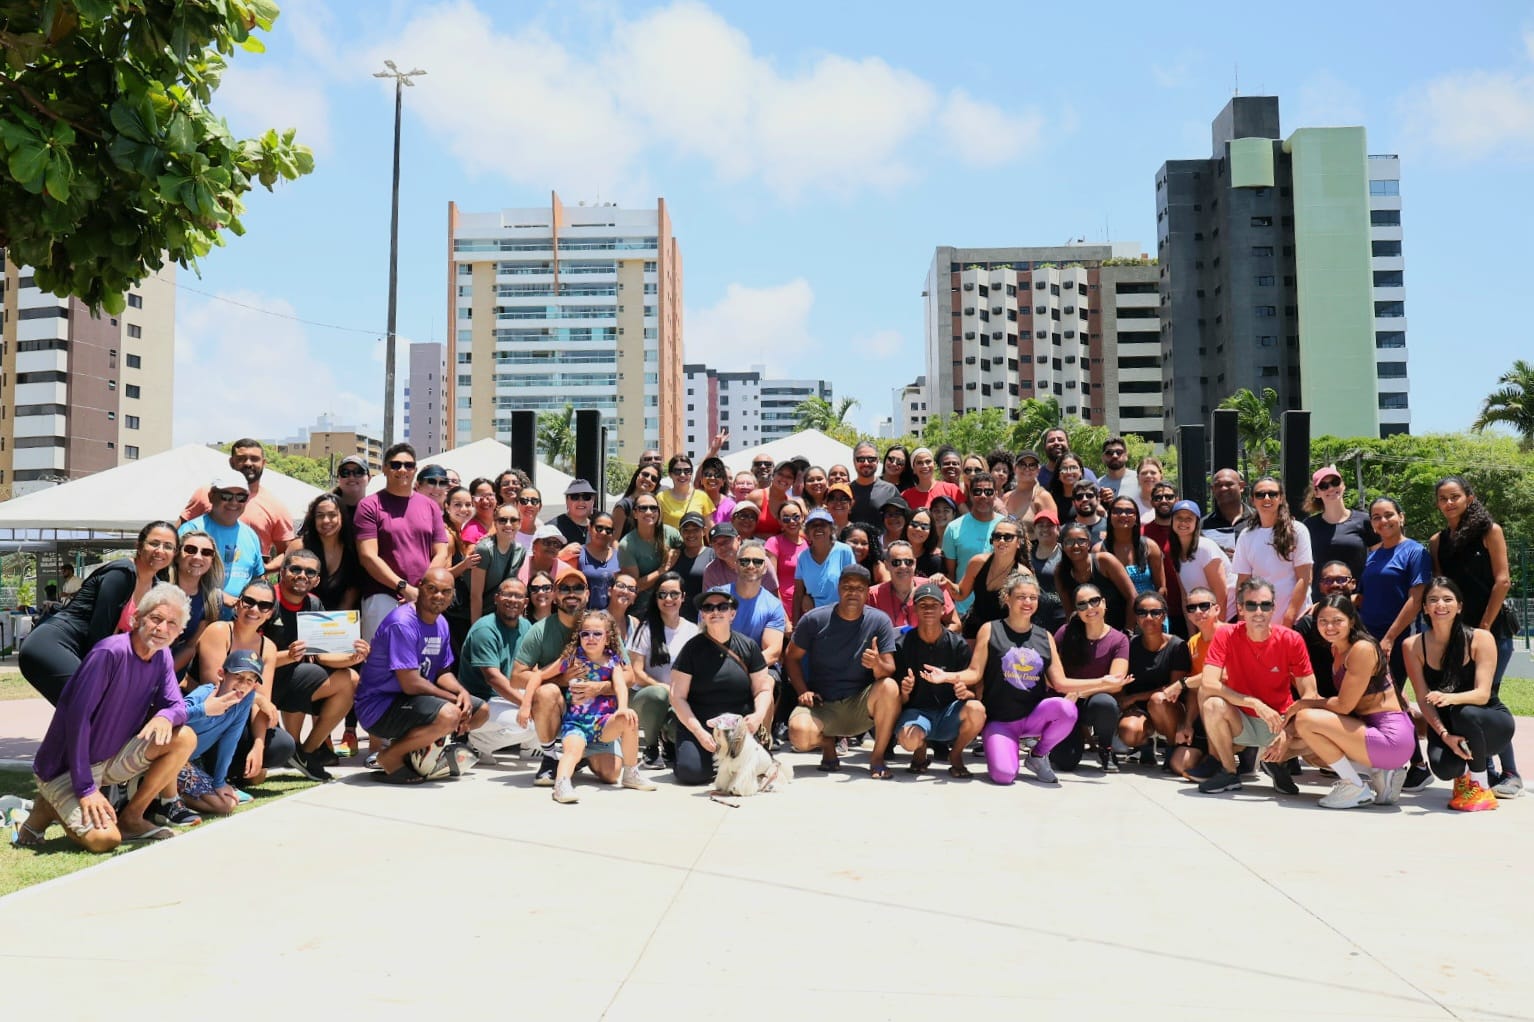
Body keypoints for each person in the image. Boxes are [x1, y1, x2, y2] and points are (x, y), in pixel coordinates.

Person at [16, 585, 198, 850]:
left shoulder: (162, 656)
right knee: (105, 840)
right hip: (65, 768)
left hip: (112, 759)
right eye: (156, 618)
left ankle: (132, 818)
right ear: (137, 618)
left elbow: (177, 706)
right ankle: (50, 805)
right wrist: (86, 789)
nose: (162, 628)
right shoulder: (109, 653)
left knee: (184, 737)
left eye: (172, 623)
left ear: (179, 632)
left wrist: (166, 716)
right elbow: (77, 721)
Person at [353, 568, 490, 785]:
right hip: (379, 706)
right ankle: (390, 756)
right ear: (420, 588)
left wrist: (461, 692)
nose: (438, 596)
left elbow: (443, 672)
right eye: (432, 589)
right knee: (450, 714)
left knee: (480, 711)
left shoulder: (441, 623)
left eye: (446, 591)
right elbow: (410, 683)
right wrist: (452, 700)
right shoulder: (402, 623)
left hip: (411, 701)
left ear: (452, 595)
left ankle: (419, 752)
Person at [20, 521, 179, 704]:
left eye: (168, 546)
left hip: (83, 651)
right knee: (94, 707)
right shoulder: (122, 574)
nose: (160, 551)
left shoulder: (156, 589)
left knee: (94, 712)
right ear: (139, 545)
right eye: (154, 543)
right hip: (53, 644)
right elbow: (100, 632)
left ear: (175, 553)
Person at [1429, 475, 1520, 797]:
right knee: (1465, 700)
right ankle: (1485, 770)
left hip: (1491, 632)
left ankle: (1510, 773)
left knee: (1487, 697)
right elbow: (1440, 586)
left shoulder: (1489, 531)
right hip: (1456, 637)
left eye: (1455, 496)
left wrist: (1483, 628)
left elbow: (1502, 581)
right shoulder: (1437, 541)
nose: (1449, 503)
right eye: (1443, 498)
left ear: (1469, 497)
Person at [954, 572, 1086, 785]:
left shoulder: (1045, 636)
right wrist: (946, 677)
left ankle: (1037, 756)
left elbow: (1060, 682)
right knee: (1004, 775)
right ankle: (1005, 748)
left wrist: (1104, 681)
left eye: (1033, 597)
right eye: (1021, 597)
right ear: (1007, 598)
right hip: (1001, 720)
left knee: (1067, 709)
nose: (1028, 602)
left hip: (1034, 716)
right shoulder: (990, 629)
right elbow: (974, 673)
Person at [1284, 594, 1415, 808]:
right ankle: (1380, 773)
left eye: (1337, 621)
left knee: (1306, 719)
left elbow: (1344, 706)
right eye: (1323, 621)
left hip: (1391, 738)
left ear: (1351, 621)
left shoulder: (1361, 649)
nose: (1329, 627)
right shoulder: (1337, 648)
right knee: (1310, 747)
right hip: (1374, 730)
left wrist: (1305, 703)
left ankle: (1353, 786)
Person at [1194, 578, 1317, 796]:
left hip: (1279, 721)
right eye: (1251, 605)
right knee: (1212, 703)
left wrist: (1288, 732)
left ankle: (1276, 762)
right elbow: (1209, 682)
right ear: (1240, 609)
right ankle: (1229, 772)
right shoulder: (1226, 634)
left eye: (1265, 605)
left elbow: (1310, 694)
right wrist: (1253, 703)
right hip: (1241, 720)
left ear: (1273, 608)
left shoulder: (1292, 639)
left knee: (1323, 730)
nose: (1258, 612)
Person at [1402, 577, 1516, 811]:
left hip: (1489, 722)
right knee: (1444, 768)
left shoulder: (1480, 638)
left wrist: (1449, 698)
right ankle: (1463, 776)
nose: (1440, 605)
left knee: (1464, 712)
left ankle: (1480, 786)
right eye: (1433, 600)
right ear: (1425, 608)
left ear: (1459, 606)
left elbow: (1482, 695)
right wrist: (1444, 735)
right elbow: (1423, 699)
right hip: (1448, 724)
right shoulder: (1412, 646)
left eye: (1447, 599)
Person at [262, 549, 366, 783]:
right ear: (282, 572)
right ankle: (291, 747)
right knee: (305, 670)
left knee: (350, 679)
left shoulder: (313, 603)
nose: (302, 575)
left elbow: (323, 655)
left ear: (317, 580)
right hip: (258, 683)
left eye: (310, 572)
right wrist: (288, 656)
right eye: (295, 569)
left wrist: (353, 658)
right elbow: (249, 656)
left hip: (293, 678)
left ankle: (306, 752)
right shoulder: (266, 599)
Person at [785, 565, 899, 777]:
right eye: (847, 587)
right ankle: (828, 744)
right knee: (799, 736)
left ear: (867, 592)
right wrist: (803, 691)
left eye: (859, 588)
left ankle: (877, 758)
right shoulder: (815, 619)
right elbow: (791, 657)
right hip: (822, 704)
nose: (853, 593)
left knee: (890, 687)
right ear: (838, 588)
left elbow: (889, 669)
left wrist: (876, 664)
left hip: (860, 705)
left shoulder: (879, 620)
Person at [546, 611, 656, 803]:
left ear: (607, 638)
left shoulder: (613, 660)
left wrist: (623, 708)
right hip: (577, 723)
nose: (591, 638)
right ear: (579, 636)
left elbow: (620, 685)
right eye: (585, 633)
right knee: (572, 751)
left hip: (603, 723)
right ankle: (561, 785)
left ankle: (631, 773)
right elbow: (541, 675)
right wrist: (526, 704)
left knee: (629, 718)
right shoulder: (572, 657)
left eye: (597, 634)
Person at [669, 591, 776, 785]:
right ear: (703, 615)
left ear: (732, 614)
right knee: (691, 773)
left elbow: (763, 689)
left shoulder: (748, 646)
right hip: (702, 726)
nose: (715, 612)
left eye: (722, 607)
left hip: (739, 729)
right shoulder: (691, 649)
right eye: (708, 608)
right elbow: (677, 697)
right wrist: (699, 733)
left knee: (753, 769)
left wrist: (758, 716)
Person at [195, 580, 289, 785]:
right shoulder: (219, 631)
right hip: (207, 715)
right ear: (238, 604)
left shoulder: (268, 648)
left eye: (264, 605)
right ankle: (207, 769)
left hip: (240, 715)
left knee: (281, 745)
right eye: (249, 601)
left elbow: (261, 705)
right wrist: (259, 699)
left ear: (270, 613)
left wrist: (258, 745)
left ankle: (232, 771)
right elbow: (217, 688)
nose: (254, 609)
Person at [354, 443, 450, 641]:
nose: (402, 470)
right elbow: (367, 556)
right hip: (383, 596)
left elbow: (441, 552)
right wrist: (404, 588)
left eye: (409, 465)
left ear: (415, 469)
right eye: (396, 465)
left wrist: (424, 588)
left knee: (423, 656)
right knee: (381, 656)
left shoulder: (430, 506)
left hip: (423, 597)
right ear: (384, 468)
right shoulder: (369, 505)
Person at [893, 583, 985, 777]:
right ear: (914, 609)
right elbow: (898, 701)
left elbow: (973, 692)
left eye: (934, 605)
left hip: (949, 714)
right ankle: (920, 749)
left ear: (943, 609)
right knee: (908, 740)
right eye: (923, 605)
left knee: (977, 710)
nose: (928, 609)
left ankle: (956, 754)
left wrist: (964, 693)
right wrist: (905, 691)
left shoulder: (957, 644)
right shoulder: (902, 645)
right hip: (917, 714)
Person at [172, 650, 263, 819]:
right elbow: (172, 716)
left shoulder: (246, 699)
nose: (243, 684)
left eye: (250, 680)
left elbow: (231, 740)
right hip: (169, 757)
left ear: (255, 686)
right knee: (223, 804)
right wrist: (205, 710)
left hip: (189, 763)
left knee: (227, 804)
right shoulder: (205, 693)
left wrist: (219, 782)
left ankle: (169, 794)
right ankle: (162, 796)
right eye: (238, 676)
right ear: (221, 674)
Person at [179, 438, 294, 571]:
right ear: (231, 462)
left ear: (263, 463)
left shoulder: (276, 506)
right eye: (241, 459)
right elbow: (175, 537)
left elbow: (288, 551)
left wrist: (263, 570)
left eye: (254, 459)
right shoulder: (205, 493)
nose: (248, 463)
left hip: (247, 581)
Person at [1051, 584, 1131, 772]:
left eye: (1094, 601)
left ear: (1104, 603)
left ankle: (1106, 748)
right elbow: (1051, 676)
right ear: (1076, 610)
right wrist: (1101, 682)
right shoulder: (1064, 632)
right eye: (1082, 604)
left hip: (1091, 703)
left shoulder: (1119, 640)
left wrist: (1080, 692)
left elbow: (1115, 686)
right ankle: (1070, 734)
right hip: (1065, 702)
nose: (1089, 608)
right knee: (1065, 762)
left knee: (1105, 703)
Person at [460, 577, 538, 762]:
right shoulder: (485, 629)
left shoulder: (526, 626)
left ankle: (531, 748)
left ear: (526, 602)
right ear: (496, 598)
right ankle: (477, 743)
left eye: (518, 596)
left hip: (508, 695)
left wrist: (537, 700)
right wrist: (526, 704)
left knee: (550, 706)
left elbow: (533, 668)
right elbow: (493, 679)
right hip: (482, 701)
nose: (513, 600)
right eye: (507, 594)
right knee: (529, 724)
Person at [627, 572, 699, 766]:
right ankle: (651, 747)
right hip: (645, 698)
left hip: (678, 700)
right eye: (662, 594)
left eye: (674, 594)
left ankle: (668, 738)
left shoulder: (693, 631)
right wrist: (664, 688)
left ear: (683, 597)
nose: (668, 599)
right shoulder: (645, 629)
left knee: (679, 729)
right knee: (658, 694)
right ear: (656, 598)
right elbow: (636, 673)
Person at [1360, 497, 1430, 692]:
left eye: (1388, 515)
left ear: (1401, 517)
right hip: (1367, 637)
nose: (1383, 521)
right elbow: (1363, 596)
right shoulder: (1373, 556)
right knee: (1365, 696)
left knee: (1389, 696)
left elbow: (1416, 599)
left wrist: (1389, 638)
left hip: (1397, 639)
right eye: (1376, 517)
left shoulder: (1416, 552)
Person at [1118, 592, 1192, 763]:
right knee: (1129, 732)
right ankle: (1145, 744)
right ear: (1136, 617)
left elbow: (1173, 688)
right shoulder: (1129, 645)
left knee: (1158, 700)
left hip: (1169, 706)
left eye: (1155, 612)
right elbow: (1120, 680)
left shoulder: (1177, 646)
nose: (1148, 617)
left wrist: (1134, 697)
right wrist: (1125, 703)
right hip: (1140, 710)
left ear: (1164, 616)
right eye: (1142, 612)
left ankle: (1172, 747)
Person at [1233, 476, 1313, 628]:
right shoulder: (1246, 535)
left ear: (1281, 498)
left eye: (1272, 494)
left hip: (1295, 620)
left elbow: (1304, 578)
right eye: (1260, 494)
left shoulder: (1298, 530)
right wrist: (1242, 618)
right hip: (1259, 623)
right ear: (1252, 500)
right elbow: (1242, 581)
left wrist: (1289, 617)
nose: (1266, 498)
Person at [180, 472, 264, 616]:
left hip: (237, 622)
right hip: (195, 618)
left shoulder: (251, 535)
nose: (234, 502)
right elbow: (177, 574)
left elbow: (258, 578)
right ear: (211, 496)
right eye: (226, 496)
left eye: (241, 497)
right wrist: (219, 596)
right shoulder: (191, 530)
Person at [1302, 465, 1376, 603]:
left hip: (1357, 601)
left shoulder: (1364, 520)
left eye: (1335, 482)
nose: (1331, 488)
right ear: (1317, 493)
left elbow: (1379, 560)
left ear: (1343, 485)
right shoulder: (1308, 526)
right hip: (1321, 602)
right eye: (1324, 486)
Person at [950, 516, 1026, 640]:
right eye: (997, 536)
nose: (1001, 541)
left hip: (1004, 636)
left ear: (1018, 542)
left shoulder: (1023, 576)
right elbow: (961, 594)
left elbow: (1023, 615)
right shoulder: (977, 563)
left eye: (1008, 537)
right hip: (973, 630)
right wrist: (946, 583)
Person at [1057, 522, 1136, 631]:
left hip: (1120, 629)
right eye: (1069, 542)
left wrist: (1128, 631)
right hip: (1088, 634)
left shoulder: (1105, 561)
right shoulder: (1060, 571)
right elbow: (1070, 613)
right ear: (1062, 546)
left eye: (1081, 541)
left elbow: (1132, 596)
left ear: (1089, 544)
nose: (1075, 546)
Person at [942, 472, 1000, 618]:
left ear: (996, 494)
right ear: (970, 494)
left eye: (988, 492)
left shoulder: (1007, 527)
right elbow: (950, 574)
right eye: (977, 491)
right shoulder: (953, 528)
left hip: (999, 609)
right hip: (963, 609)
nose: (983, 496)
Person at [168, 529, 223, 679]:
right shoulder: (156, 587)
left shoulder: (213, 599)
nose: (198, 557)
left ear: (212, 560)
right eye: (190, 550)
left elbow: (191, 646)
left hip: (171, 674)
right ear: (177, 555)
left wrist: (162, 675)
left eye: (206, 552)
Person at [292, 493, 361, 613]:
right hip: (299, 614)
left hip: (337, 618)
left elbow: (350, 594)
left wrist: (332, 622)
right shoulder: (299, 546)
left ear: (342, 517)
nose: (326, 520)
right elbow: (287, 586)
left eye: (332, 515)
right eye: (320, 515)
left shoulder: (351, 550)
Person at [617, 493, 681, 619]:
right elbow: (635, 586)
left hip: (671, 604)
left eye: (653, 508)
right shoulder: (626, 545)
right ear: (635, 513)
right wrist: (663, 569)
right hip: (642, 609)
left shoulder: (672, 534)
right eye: (643, 508)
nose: (649, 512)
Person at [870, 540, 956, 631]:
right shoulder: (873, 595)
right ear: (886, 565)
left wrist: (936, 638)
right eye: (896, 562)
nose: (903, 566)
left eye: (908, 562)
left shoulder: (933, 587)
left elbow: (955, 624)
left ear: (915, 563)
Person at [1167, 500, 1232, 617]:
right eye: (1179, 518)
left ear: (1196, 522)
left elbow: (1221, 596)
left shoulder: (1205, 547)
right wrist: (1191, 629)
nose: (1183, 522)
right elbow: (1185, 598)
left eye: (1189, 519)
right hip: (1204, 618)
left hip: (1227, 617)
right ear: (1172, 521)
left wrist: (1219, 627)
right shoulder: (1175, 552)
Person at [793, 508, 856, 619]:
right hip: (815, 618)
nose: (818, 528)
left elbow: (854, 586)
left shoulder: (844, 551)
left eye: (823, 525)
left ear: (831, 529)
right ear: (807, 532)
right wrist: (795, 625)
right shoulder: (802, 557)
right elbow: (798, 594)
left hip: (843, 615)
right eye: (813, 525)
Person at [469, 501, 527, 621]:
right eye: (502, 520)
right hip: (482, 614)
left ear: (520, 523)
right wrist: (476, 626)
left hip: (503, 615)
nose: (508, 524)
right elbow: (476, 595)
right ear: (495, 523)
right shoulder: (485, 550)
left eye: (513, 520)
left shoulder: (520, 551)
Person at [1098, 495, 1165, 598]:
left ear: (1136, 517)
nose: (1123, 515)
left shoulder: (1150, 546)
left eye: (1129, 511)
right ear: (1109, 516)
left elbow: (1161, 588)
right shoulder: (1099, 550)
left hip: (1146, 606)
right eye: (1117, 511)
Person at [1028, 511, 1068, 634]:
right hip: (1032, 616)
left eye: (1050, 525)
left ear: (1058, 529)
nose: (1045, 529)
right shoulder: (1026, 555)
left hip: (1061, 617)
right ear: (1034, 530)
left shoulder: (1067, 554)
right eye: (1040, 525)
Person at [1202, 468, 1252, 563]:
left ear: (1241, 487)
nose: (1223, 488)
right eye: (1218, 485)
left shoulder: (1259, 520)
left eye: (1229, 484)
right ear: (1213, 490)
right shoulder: (1202, 525)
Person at [745, 460, 801, 538]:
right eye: (780, 474)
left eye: (789, 477)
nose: (784, 479)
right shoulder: (756, 496)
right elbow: (741, 526)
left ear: (793, 482)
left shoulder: (791, 504)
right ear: (773, 475)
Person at [1003, 450, 1057, 531]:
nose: (1027, 469)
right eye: (1022, 464)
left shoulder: (1043, 497)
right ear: (1014, 468)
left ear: (1038, 470)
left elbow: (1051, 532)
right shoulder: (1006, 497)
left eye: (1032, 465)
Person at [850, 441, 901, 524]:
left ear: (877, 461)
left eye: (871, 459)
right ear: (854, 461)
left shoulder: (890, 490)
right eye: (861, 459)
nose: (866, 463)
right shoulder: (846, 491)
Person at [659, 454, 714, 530]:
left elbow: (709, 528)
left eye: (687, 471)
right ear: (670, 474)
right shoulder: (661, 497)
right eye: (677, 471)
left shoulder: (702, 496)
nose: (682, 475)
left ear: (691, 473)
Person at [611, 464, 660, 539]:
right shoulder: (624, 505)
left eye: (654, 479)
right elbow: (613, 540)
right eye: (645, 474)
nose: (648, 479)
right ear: (637, 476)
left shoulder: (656, 507)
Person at [552, 478, 598, 546]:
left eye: (586, 497)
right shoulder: (553, 528)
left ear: (593, 500)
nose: (581, 502)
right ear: (567, 500)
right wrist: (563, 552)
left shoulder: (599, 528)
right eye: (575, 497)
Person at [332, 455, 371, 527]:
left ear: (369, 478)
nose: (351, 477)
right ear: (338, 478)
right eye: (345, 472)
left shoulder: (375, 511)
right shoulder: (326, 509)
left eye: (358, 472)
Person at [907, 507, 944, 579]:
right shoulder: (892, 555)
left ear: (931, 532)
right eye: (914, 524)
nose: (918, 529)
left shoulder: (936, 561)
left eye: (925, 526)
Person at [460, 477, 499, 545]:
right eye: (479, 497)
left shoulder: (503, 522)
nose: (485, 501)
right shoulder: (470, 532)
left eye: (489, 495)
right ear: (472, 501)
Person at [697, 457, 733, 524]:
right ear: (701, 480)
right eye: (708, 474)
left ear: (723, 481)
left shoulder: (730, 506)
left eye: (717, 475)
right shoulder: (694, 502)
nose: (712, 478)